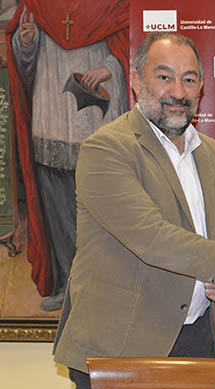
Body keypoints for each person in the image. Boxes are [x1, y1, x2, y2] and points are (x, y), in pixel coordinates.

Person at [53, 32, 215, 389]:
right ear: (136, 82)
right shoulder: (106, 149)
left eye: (189, 79)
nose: (178, 92)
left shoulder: (213, 154)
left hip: (195, 343)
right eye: (164, 77)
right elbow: (152, 238)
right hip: (120, 349)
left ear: (201, 87)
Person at [7, 1, 130, 311]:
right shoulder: (38, 4)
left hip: (97, 120)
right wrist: (26, 44)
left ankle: (103, 286)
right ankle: (67, 284)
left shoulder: (114, 4)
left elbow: (133, 46)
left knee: (101, 208)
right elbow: (22, 62)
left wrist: (109, 68)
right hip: (51, 117)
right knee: (57, 209)